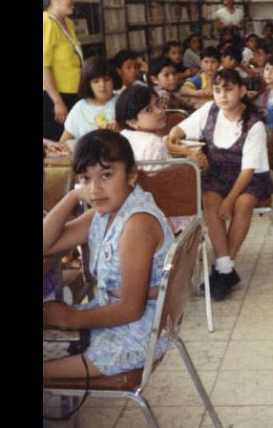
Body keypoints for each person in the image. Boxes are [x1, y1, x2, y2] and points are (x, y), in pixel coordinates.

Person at [43, 129, 174, 379]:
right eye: (85, 178)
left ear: (131, 174)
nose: (95, 189)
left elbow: (131, 310)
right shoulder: (105, 212)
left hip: (134, 338)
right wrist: (73, 195)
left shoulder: (136, 223)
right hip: (118, 322)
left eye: (106, 175)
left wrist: (71, 319)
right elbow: (46, 244)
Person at [166, 69, 272, 300]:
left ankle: (223, 269)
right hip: (217, 175)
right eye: (217, 90)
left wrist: (230, 200)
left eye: (229, 89)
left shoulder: (254, 124)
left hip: (249, 178)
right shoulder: (209, 111)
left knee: (242, 205)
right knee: (210, 200)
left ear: (242, 91)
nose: (222, 95)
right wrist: (175, 138)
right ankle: (226, 268)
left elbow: (248, 171)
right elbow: (178, 130)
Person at [115, 83, 206, 171]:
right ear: (132, 122)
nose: (159, 111)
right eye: (149, 110)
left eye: (157, 104)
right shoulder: (153, 144)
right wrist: (190, 164)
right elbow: (163, 183)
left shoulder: (123, 135)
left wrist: (177, 149)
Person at [43, 0, 83, 141]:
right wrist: (57, 101)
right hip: (55, 97)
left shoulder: (68, 23)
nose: (73, 0)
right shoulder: (46, 23)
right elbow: (44, 66)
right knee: (58, 145)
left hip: (74, 93)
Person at [60, 57, 119, 144]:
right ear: (88, 84)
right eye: (96, 81)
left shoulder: (123, 102)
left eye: (106, 79)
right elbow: (63, 142)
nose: (102, 85)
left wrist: (120, 130)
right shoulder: (79, 109)